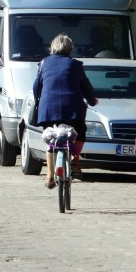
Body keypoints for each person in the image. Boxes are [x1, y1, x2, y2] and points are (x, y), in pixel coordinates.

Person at [33, 33, 98, 188]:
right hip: (73, 108)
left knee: (51, 138)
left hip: (49, 108)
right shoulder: (75, 65)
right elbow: (85, 86)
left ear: (52, 48)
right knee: (80, 131)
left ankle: (49, 175)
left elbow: (36, 87)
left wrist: (38, 101)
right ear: (70, 49)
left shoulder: (43, 63)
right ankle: (75, 161)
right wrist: (92, 100)